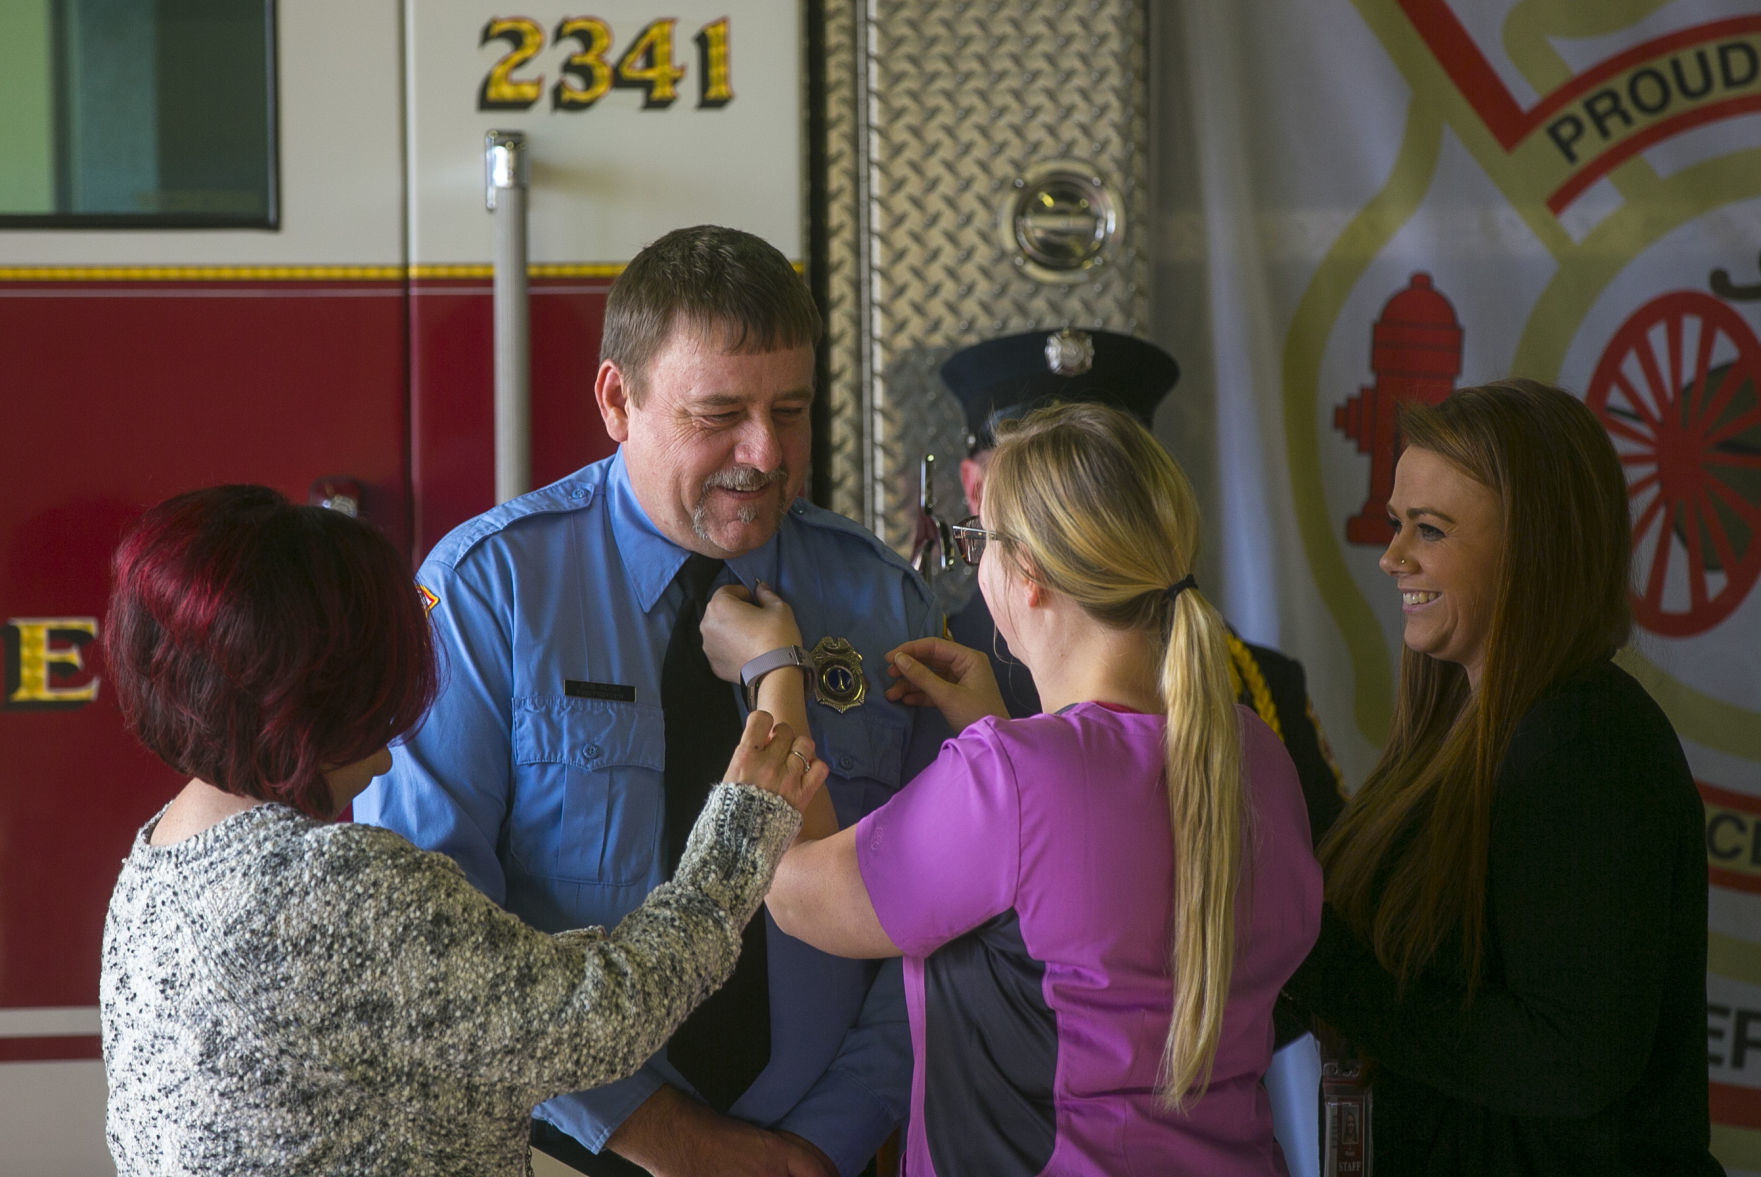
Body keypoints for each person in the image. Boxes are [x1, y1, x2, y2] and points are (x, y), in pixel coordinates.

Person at [354, 225, 941, 1177]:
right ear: (617, 400)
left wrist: (818, 1143)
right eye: (719, 415)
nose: (763, 452)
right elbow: (432, 932)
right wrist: (673, 1139)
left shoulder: (880, 600)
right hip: (565, 1144)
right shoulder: (488, 591)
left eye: (789, 410)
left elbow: (938, 915)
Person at [99, 484, 819, 1177]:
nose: (387, 750)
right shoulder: (320, 885)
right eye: (372, 702)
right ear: (304, 695)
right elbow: (600, 1019)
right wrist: (743, 826)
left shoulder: (152, 867)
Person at [707, 401, 1324, 1175]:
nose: (977, 563)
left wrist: (774, 672)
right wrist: (998, 732)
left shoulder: (1015, 781)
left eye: (977, 542)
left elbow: (799, 895)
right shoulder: (1255, 754)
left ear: (1026, 575)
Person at [1282, 379, 1725, 1176]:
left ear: (1533, 546)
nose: (1391, 558)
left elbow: (1570, 1058)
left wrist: (1326, 969)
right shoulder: (1462, 726)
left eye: (1430, 529)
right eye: (1395, 524)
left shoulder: (1585, 742)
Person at [940, 327, 1344, 842]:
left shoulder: (1257, 684)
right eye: (1041, 479)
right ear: (977, 491)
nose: (1078, 506)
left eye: (1104, 477)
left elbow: (1332, 886)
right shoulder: (923, 672)